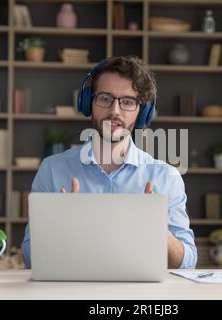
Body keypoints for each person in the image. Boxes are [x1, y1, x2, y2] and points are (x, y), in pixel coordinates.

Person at [21, 56, 197, 269]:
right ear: (88, 102)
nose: (115, 111)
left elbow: (187, 263)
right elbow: (30, 259)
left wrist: (159, 230)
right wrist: (60, 225)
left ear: (142, 112)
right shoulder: (52, 170)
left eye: (128, 102)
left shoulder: (166, 177)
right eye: (105, 98)